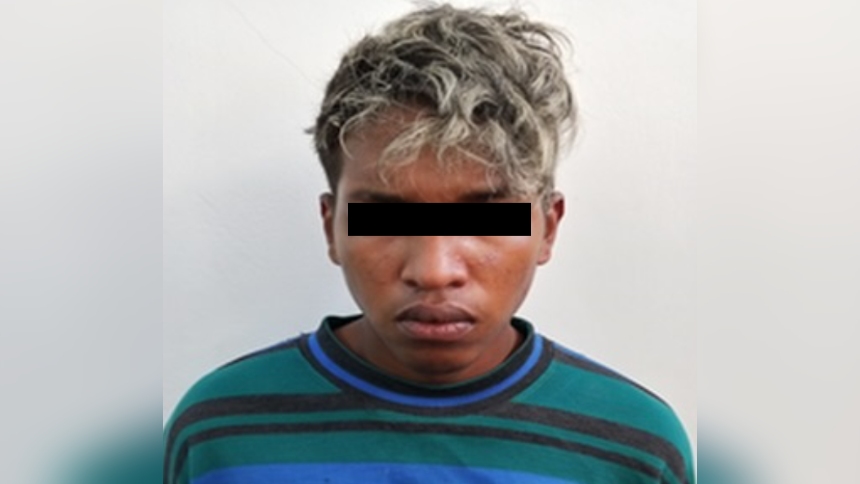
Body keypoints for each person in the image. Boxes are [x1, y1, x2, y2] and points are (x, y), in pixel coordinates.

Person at [163, 4, 696, 484]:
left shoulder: (636, 451)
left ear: (547, 228)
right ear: (331, 228)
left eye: (485, 216)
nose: (435, 270)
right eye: (385, 218)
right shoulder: (217, 434)